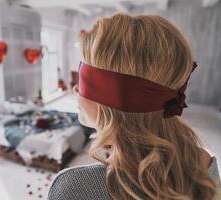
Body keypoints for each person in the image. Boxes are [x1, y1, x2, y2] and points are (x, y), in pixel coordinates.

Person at [47, 13, 221, 200]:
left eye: (83, 82)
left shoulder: (74, 187)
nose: (74, 88)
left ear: (113, 96)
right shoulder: (204, 164)